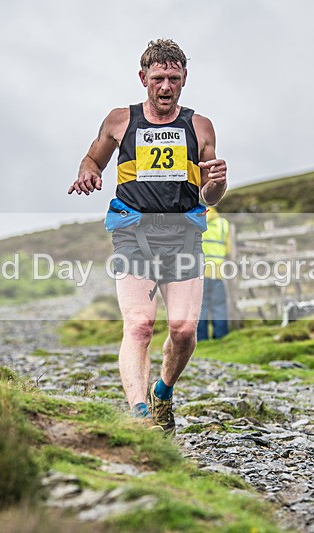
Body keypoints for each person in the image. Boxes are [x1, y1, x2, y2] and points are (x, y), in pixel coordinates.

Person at [67, 39, 228, 434]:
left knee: (183, 330)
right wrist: (89, 172)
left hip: (185, 234)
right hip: (133, 232)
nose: (166, 87)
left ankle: (163, 391)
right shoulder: (120, 121)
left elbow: (208, 195)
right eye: (158, 78)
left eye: (174, 78)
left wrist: (219, 185)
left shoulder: (199, 126)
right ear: (143, 78)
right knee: (139, 325)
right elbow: (93, 158)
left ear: (185, 78)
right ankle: (140, 415)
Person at [197, 207, 230, 341]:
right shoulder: (223, 224)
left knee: (200, 307)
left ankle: (201, 338)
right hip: (217, 273)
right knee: (219, 306)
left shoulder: (197, 223)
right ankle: (221, 337)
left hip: (199, 273)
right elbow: (228, 248)